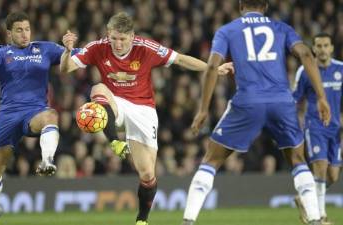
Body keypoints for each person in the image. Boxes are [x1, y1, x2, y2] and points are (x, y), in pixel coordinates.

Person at [60, 12, 233, 225]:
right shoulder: (97, 47)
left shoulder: (146, 48)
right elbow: (65, 68)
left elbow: (180, 59)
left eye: (122, 39)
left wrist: (213, 68)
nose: (118, 44)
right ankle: (114, 141)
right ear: (108, 34)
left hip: (143, 110)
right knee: (98, 88)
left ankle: (142, 220)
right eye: (114, 38)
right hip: (115, 104)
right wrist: (67, 51)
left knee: (148, 175)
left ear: (132, 36)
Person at [181, 0, 331, 225]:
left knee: (211, 159)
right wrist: (321, 96)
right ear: (266, 6)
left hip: (248, 101)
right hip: (282, 101)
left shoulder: (228, 30)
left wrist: (203, 109)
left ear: (241, 5)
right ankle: (315, 219)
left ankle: (188, 220)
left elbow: (212, 66)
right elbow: (306, 55)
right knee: (298, 160)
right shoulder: (281, 28)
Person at [0, 12, 64, 225]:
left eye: (27, 29)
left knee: (51, 115)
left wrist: (71, 49)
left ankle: (47, 160)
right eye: (19, 30)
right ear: (9, 33)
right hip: (8, 116)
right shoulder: (0, 52)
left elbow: (79, 58)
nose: (24, 34)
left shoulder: (44, 48)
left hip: (35, 112)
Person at [293, 33, 342, 225]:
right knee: (320, 168)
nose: (322, 49)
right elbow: (295, 98)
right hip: (315, 126)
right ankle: (321, 216)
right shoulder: (305, 71)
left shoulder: (341, 69)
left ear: (331, 48)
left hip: (336, 129)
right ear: (313, 49)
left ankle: (305, 197)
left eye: (326, 46)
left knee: (333, 176)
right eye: (319, 46)